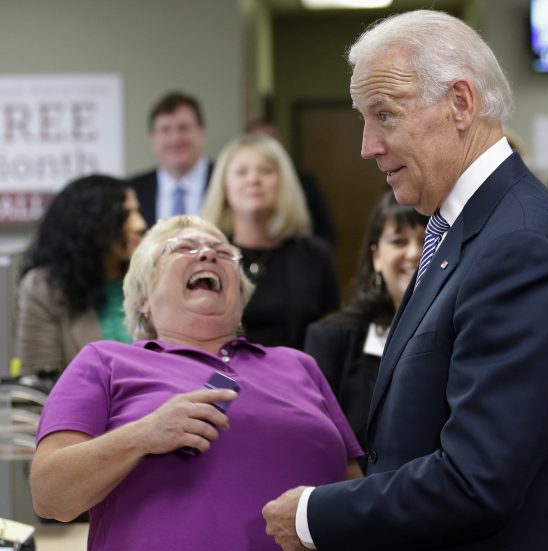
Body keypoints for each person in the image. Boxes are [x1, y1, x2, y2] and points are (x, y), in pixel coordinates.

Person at [262, 10, 548, 551]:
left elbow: (476, 481)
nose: (367, 146)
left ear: (461, 104)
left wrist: (313, 514)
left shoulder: (519, 248)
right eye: (364, 119)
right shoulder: (467, 227)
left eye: (385, 115)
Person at [29, 215, 363, 551]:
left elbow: (356, 494)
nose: (207, 255)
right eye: (184, 248)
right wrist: (143, 435)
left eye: (222, 251)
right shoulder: (105, 361)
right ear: (143, 298)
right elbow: (50, 496)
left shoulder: (298, 365)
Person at [303, 191, 426, 463]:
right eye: (399, 241)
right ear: (377, 257)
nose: (414, 253)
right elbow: (316, 441)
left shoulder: (462, 331)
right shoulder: (332, 338)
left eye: (427, 240)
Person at [200, 133, 339, 349]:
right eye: (241, 172)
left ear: (284, 184)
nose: (254, 180)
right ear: (224, 187)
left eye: (265, 171)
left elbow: (331, 335)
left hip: (297, 378)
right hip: (222, 380)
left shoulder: (314, 255)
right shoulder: (206, 256)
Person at [16, 174, 146, 376]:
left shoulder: (150, 280)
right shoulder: (45, 288)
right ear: (92, 224)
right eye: (126, 214)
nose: (139, 224)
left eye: (137, 211)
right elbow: (40, 383)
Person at [247, 117, 337, 246]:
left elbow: (326, 232)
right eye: (259, 141)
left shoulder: (305, 183)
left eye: (272, 140)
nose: (254, 181)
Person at [129, 91, 213, 226]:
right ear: (153, 138)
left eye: (183, 128)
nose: (175, 138)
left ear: (201, 133)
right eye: (165, 130)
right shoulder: (132, 191)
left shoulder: (229, 184)